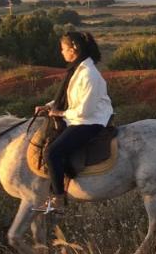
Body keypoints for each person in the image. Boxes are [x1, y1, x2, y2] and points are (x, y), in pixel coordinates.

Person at [35, 30, 113, 213]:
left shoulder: (89, 74)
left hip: (90, 122)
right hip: (78, 117)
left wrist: (60, 113)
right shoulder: (77, 69)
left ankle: (58, 199)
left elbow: (84, 111)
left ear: (74, 49)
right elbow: (68, 98)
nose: (61, 52)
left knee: (52, 152)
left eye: (63, 49)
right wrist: (48, 106)